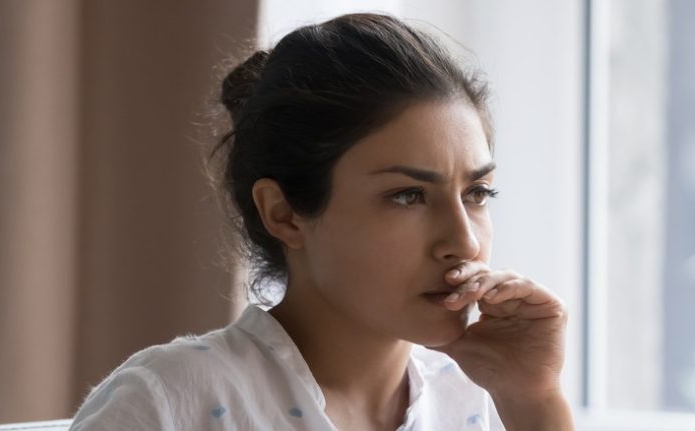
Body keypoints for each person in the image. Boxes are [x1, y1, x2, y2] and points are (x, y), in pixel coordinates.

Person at [69, 12, 574, 431]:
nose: (463, 241)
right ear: (284, 213)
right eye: (407, 196)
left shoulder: (478, 400)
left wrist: (533, 398)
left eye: (477, 193)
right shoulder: (170, 401)